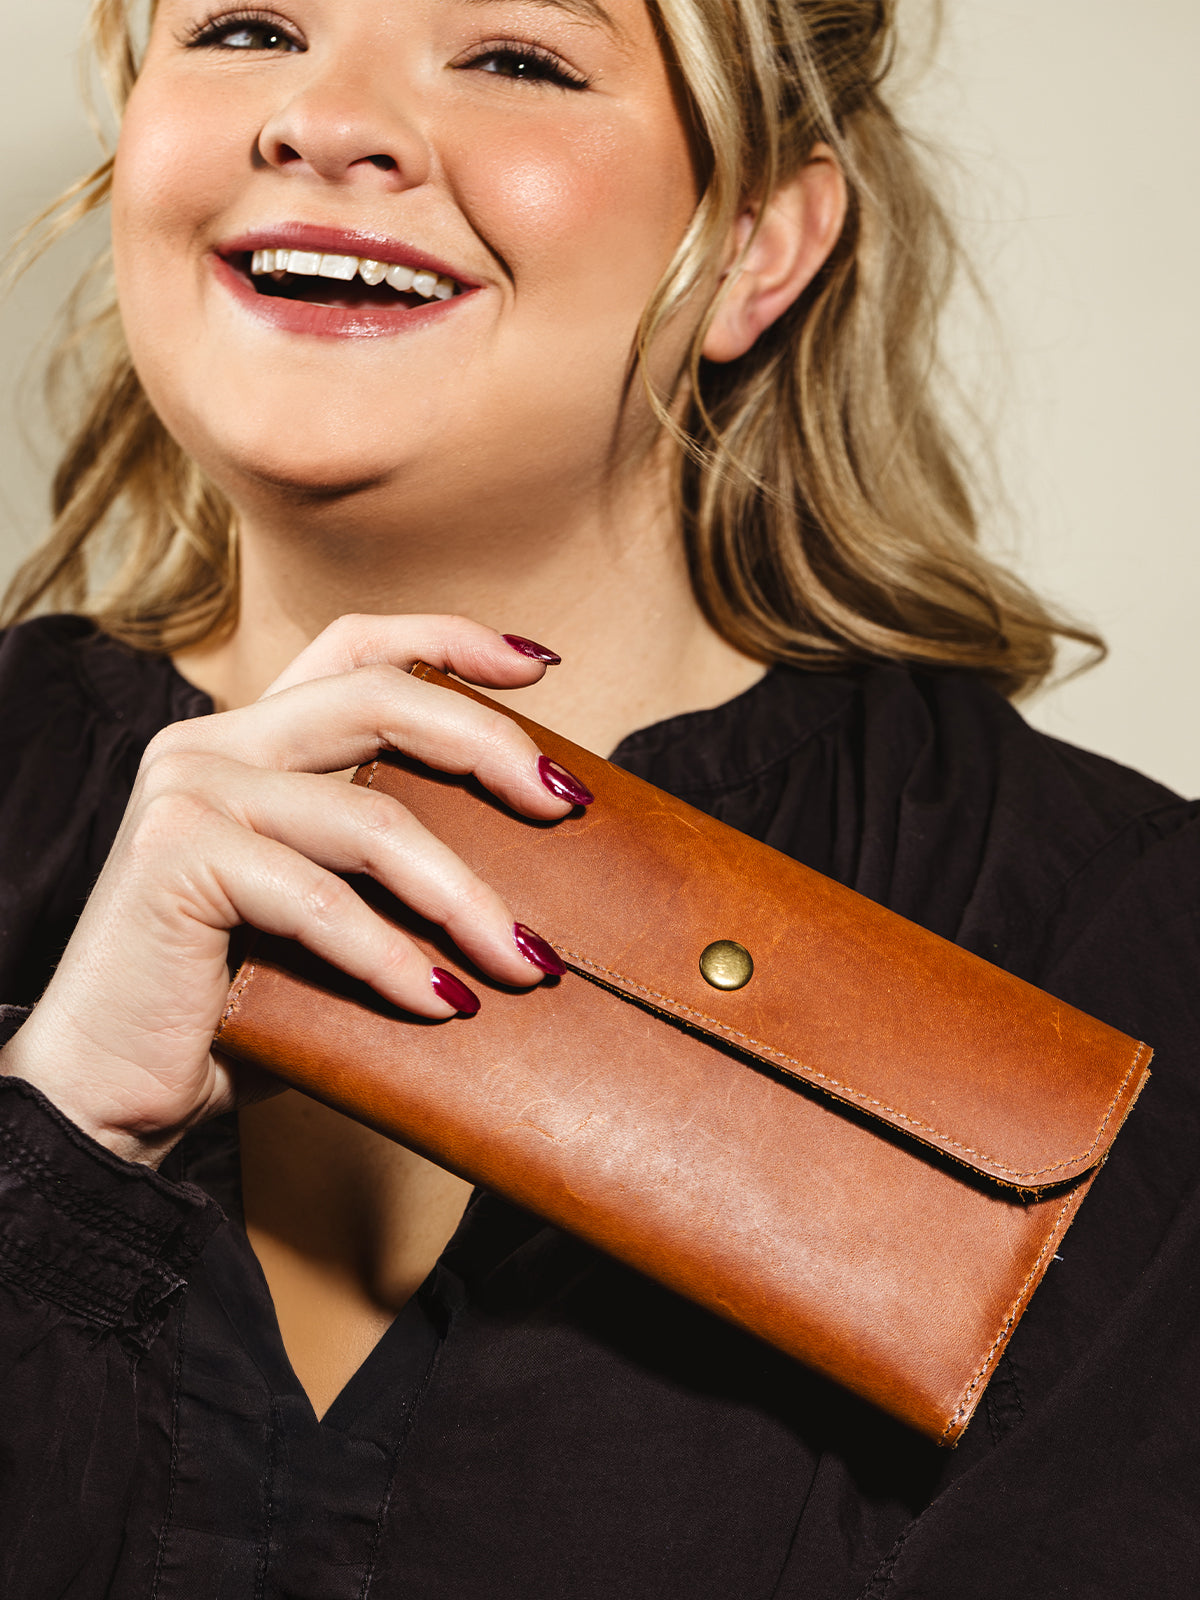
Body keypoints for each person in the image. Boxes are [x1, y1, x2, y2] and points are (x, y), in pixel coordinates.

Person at [0, 0, 1197, 1595]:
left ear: (758, 243)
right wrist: (53, 1133)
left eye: (514, 56)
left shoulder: (1114, 931)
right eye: (245, 24)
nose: (320, 121)